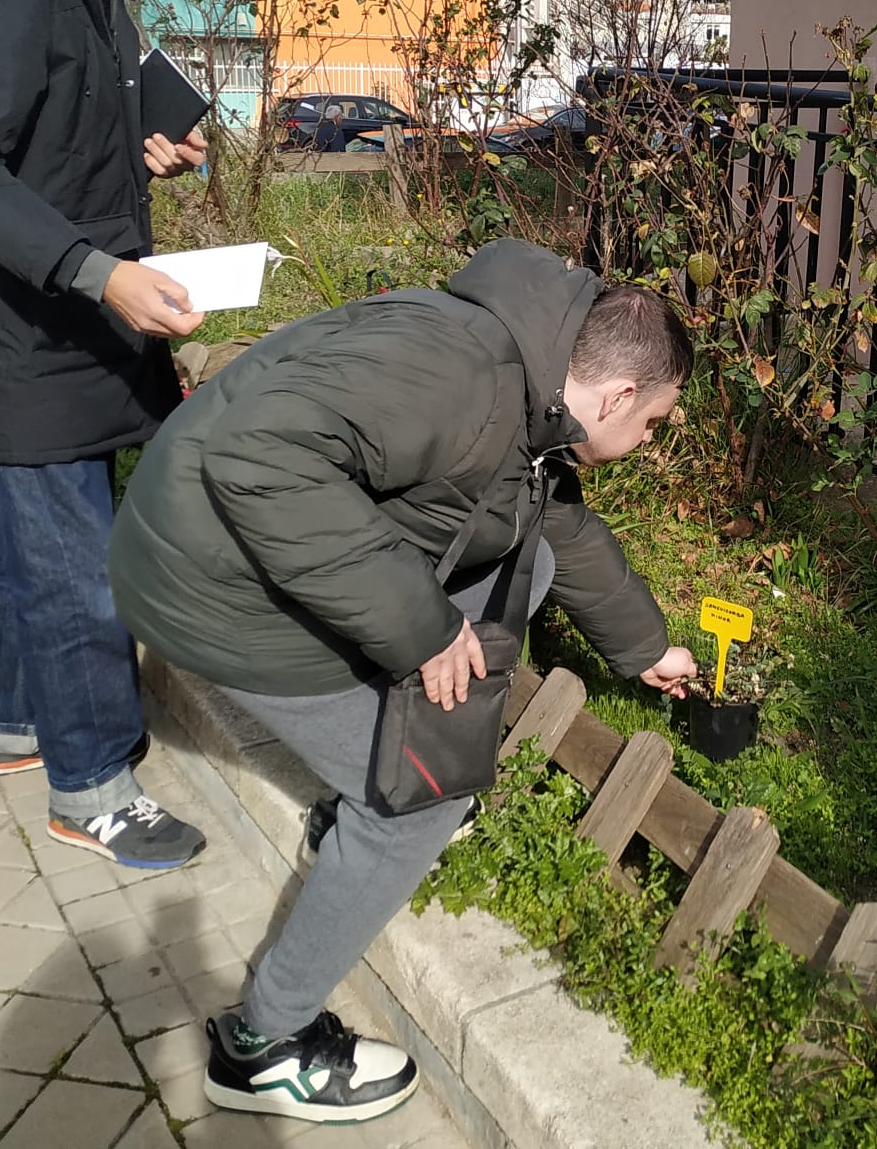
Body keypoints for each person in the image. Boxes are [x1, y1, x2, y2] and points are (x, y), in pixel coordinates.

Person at [108, 237, 699, 1124]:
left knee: (527, 566)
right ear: (615, 394)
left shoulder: (529, 374)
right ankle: (264, 1045)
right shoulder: (454, 378)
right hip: (214, 588)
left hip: (244, 553)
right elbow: (257, 457)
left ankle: (365, 762)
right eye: (653, 421)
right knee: (420, 805)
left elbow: (551, 523)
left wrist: (642, 646)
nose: (649, 441)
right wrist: (423, 628)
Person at [0, 0, 209, 869]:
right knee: (76, 567)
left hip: (64, 316)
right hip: (18, 329)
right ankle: (93, 785)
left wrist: (147, 142)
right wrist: (95, 271)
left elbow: (51, 127)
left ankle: (12, 722)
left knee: (32, 549)